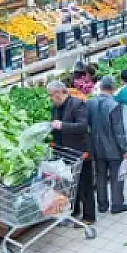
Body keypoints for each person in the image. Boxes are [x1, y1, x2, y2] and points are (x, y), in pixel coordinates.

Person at [47, 81, 95, 223]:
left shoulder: (77, 104)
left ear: (58, 93)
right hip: (65, 153)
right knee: (72, 184)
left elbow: (82, 126)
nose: (50, 98)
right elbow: (54, 123)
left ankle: (89, 216)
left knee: (85, 185)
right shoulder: (55, 107)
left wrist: (62, 125)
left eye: (51, 95)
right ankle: (75, 210)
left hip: (81, 152)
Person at [87, 76, 127, 215]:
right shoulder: (114, 105)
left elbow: (88, 125)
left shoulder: (90, 103)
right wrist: (125, 149)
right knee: (116, 176)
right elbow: (118, 131)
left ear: (100, 87)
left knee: (100, 175)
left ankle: (102, 204)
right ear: (113, 88)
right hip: (113, 148)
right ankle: (117, 204)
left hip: (97, 146)